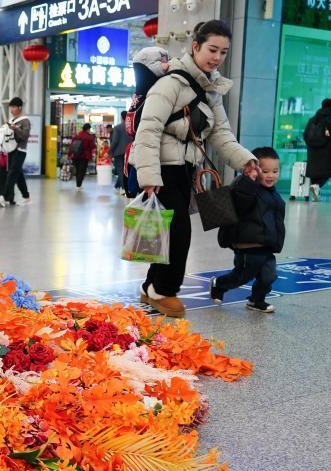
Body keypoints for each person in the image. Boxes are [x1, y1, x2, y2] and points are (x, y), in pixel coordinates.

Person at [128, 19, 257, 318]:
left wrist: (245, 160)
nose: (217, 57)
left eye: (224, 52)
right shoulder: (171, 83)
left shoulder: (211, 90)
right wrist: (149, 177)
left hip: (185, 168)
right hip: (161, 168)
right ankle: (163, 290)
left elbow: (221, 134)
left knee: (167, 230)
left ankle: (150, 286)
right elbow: (148, 130)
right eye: (212, 49)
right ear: (195, 46)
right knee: (178, 230)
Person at [211, 147, 285, 313]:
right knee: (241, 276)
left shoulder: (273, 193)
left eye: (275, 171)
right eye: (265, 171)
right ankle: (219, 284)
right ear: (254, 169)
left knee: (269, 276)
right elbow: (241, 201)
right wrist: (248, 180)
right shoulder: (245, 187)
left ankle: (256, 300)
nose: (271, 175)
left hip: (266, 245)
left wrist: (277, 241)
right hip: (247, 246)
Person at [304, 98, 331, 201]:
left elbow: (305, 135)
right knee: (330, 170)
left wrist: (311, 144)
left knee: (314, 171)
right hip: (327, 150)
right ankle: (317, 187)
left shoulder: (313, 119)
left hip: (312, 150)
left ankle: (315, 189)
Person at [0, 97, 31, 207]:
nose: (11, 110)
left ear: (19, 107)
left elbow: (25, 136)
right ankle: (26, 197)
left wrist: (15, 129)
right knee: (18, 175)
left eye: (13, 107)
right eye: (10, 107)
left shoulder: (25, 120)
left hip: (20, 150)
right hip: (11, 150)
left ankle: (4, 197)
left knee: (12, 174)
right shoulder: (12, 120)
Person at [110, 111, 132, 193]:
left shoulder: (117, 127)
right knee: (126, 170)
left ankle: (123, 188)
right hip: (129, 151)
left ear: (121, 117)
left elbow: (115, 141)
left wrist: (110, 151)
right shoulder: (131, 127)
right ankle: (117, 186)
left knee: (120, 170)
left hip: (119, 152)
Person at [69, 123, 96, 189]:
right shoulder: (88, 136)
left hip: (75, 155)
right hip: (84, 156)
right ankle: (78, 185)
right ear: (88, 129)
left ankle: (78, 184)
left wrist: (70, 154)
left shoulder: (77, 135)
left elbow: (72, 145)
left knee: (78, 170)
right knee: (82, 171)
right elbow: (92, 146)